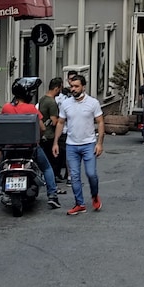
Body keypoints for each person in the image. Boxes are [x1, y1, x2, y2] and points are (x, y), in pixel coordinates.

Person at [0, 78, 61, 209]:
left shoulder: (6, 107)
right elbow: (42, 128)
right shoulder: (31, 108)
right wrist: (38, 137)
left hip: (9, 148)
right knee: (47, 168)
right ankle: (52, 195)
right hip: (29, 147)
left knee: (0, 169)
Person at [53, 74, 104, 215]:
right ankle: (80, 204)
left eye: (76, 86)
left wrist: (99, 143)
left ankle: (94, 195)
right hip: (71, 145)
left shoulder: (93, 103)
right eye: (71, 86)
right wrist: (55, 142)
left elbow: (100, 122)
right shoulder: (66, 104)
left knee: (91, 174)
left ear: (83, 87)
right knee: (74, 176)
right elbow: (60, 123)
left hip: (89, 144)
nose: (73, 89)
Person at [39, 77, 67, 185]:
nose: (60, 91)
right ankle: (53, 177)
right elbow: (54, 121)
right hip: (50, 135)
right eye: (60, 88)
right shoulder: (52, 102)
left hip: (43, 134)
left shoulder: (42, 99)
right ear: (56, 88)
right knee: (55, 158)